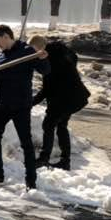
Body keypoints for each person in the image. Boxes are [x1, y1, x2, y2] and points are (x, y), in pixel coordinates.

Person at [0, 24, 49, 189]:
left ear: (7, 36)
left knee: (26, 142)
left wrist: (43, 58)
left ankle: (31, 180)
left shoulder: (27, 52)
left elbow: (45, 70)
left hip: (21, 105)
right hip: (2, 104)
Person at [32, 33, 90, 171]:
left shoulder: (50, 61)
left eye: (33, 52)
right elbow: (73, 58)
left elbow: (47, 89)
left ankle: (43, 159)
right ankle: (65, 161)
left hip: (65, 98)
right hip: (75, 96)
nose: (33, 56)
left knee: (49, 124)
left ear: (40, 49)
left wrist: (30, 102)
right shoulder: (61, 52)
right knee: (61, 126)